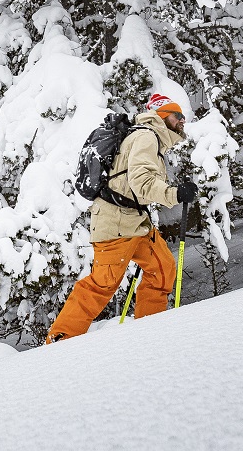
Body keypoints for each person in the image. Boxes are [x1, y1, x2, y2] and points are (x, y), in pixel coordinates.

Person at [46, 92, 197, 342]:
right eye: (177, 115)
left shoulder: (151, 139)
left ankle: (149, 330)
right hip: (114, 225)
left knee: (162, 269)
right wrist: (174, 194)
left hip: (135, 224)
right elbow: (142, 183)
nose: (182, 120)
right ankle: (60, 339)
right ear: (162, 116)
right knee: (101, 284)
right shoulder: (146, 137)